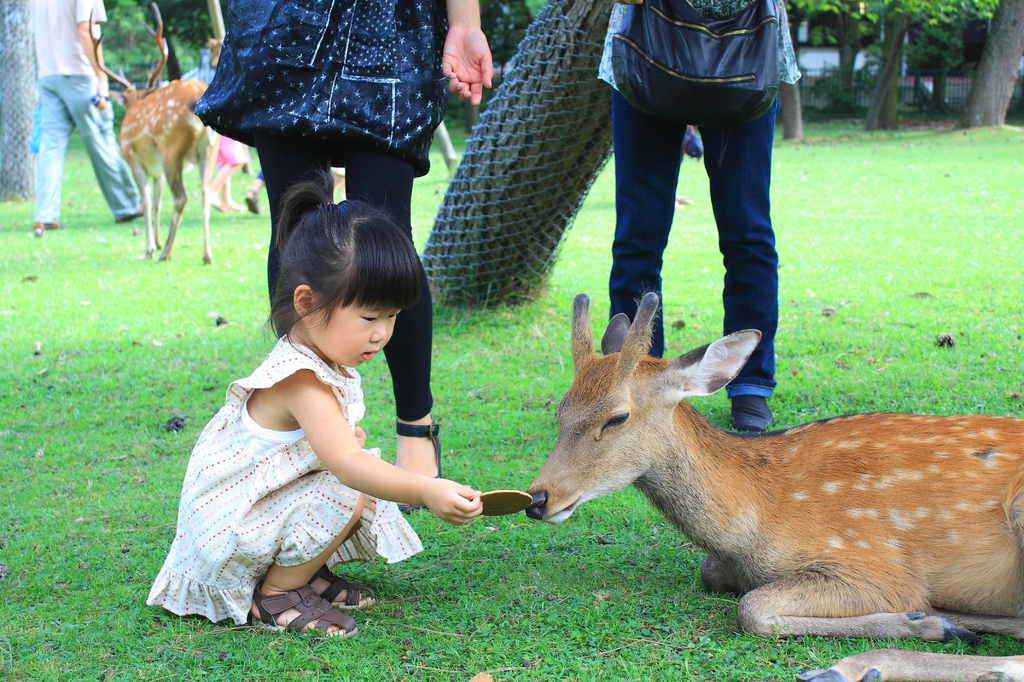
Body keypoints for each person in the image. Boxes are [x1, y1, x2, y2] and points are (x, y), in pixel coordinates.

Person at [146, 171, 483, 636]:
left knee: (357, 476)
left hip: (255, 507)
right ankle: (276, 595)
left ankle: (305, 576)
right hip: (227, 530)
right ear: (307, 302)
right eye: (369, 316)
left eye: (392, 317)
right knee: (352, 482)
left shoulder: (318, 357)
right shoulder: (302, 378)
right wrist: (424, 489)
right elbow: (346, 465)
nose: (382, 334)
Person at [195, 0, 493, 485]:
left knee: (387, 234)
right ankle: (308, 417)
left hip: (391, 23)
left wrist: (465, 24)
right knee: (295, 229)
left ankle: (415, 428)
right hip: (286, 21)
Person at [600, 0, 801, 432]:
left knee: (747, 231)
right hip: (645, 43)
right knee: (638, 235)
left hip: (749, 46)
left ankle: (750, 385)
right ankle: (637, 379)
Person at [30, 0, 142, 237]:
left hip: (48, 75)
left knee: (51, 146)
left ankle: (45, 215)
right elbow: (86, 30)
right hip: (80, 75)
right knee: (102, 141)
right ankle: (128, 207)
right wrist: (100, 77)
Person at [210, 135, 250, 212]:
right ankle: (212, 193)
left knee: (225, 163)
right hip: (226, 129)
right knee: (235, 160)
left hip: (217, 130)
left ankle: (226, 201)